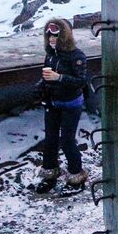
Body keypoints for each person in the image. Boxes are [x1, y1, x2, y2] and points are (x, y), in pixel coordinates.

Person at [35, 18, 88, 193]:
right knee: (50, 140)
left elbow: (81, 81)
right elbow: (46, 76)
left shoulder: (77, 56)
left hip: (71, 103)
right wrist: (41, 86)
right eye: (49, 36)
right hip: (52, 101)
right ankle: (50, 173)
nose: (52, 40)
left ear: (65, 37)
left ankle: (76, 176)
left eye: (56, 37)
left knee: (66, 140)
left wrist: (59, 78)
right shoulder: (51, 55)